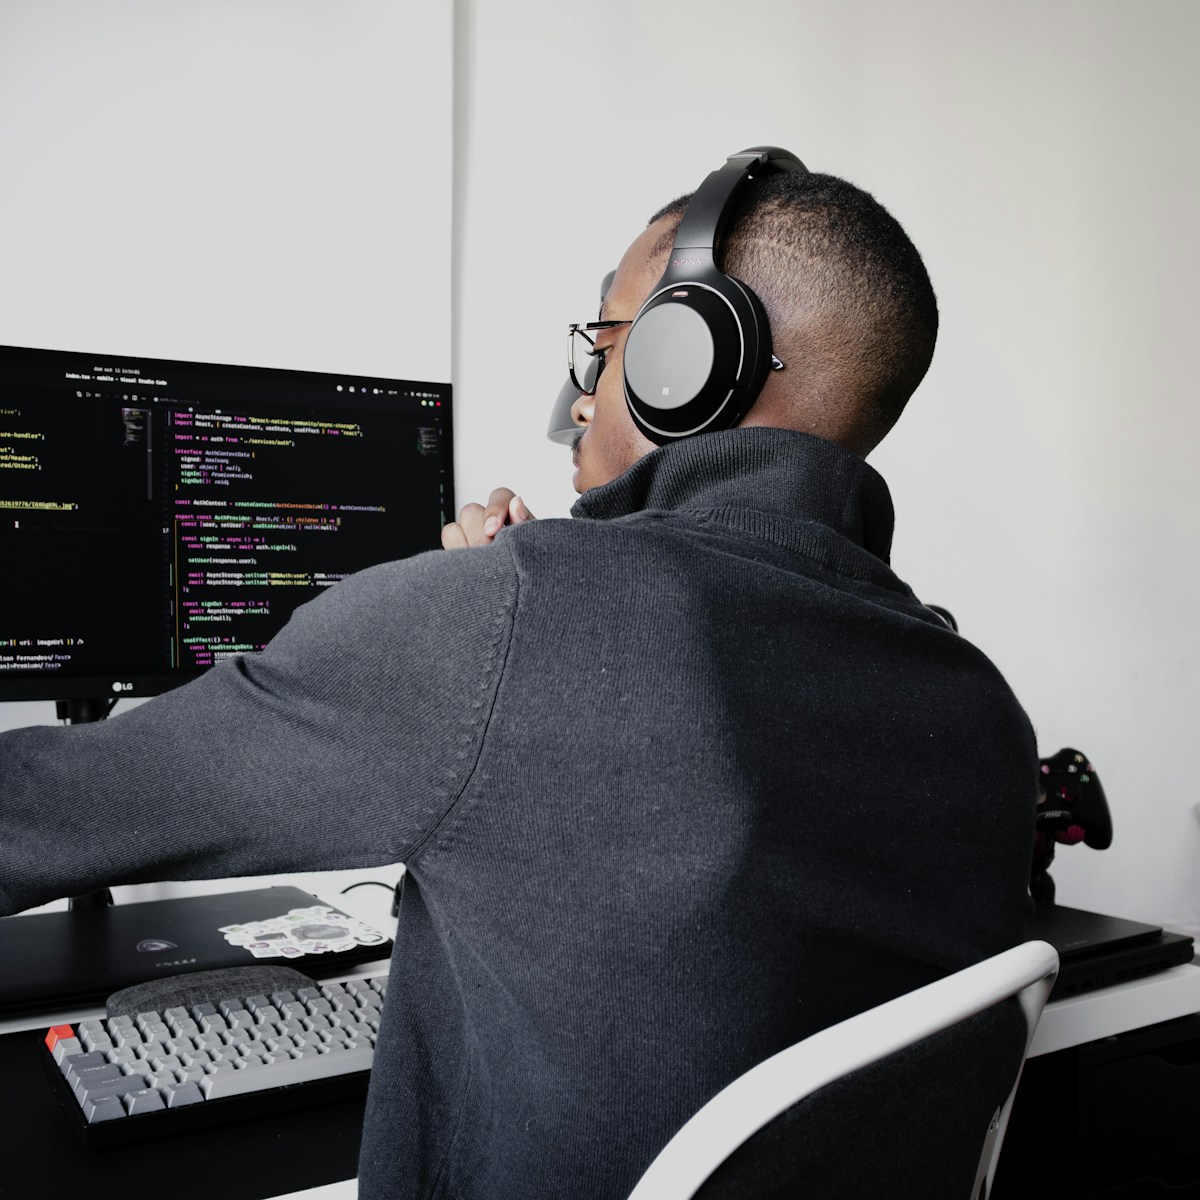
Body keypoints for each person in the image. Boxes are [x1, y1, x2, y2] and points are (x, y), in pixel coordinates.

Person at [0, 162, 1036, 1199]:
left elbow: (44, 810)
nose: (581, 394)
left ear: (695, 354)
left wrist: (493, 612)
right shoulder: (980, 705)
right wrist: (541, 605)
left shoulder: (497, 619)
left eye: (607, 341)